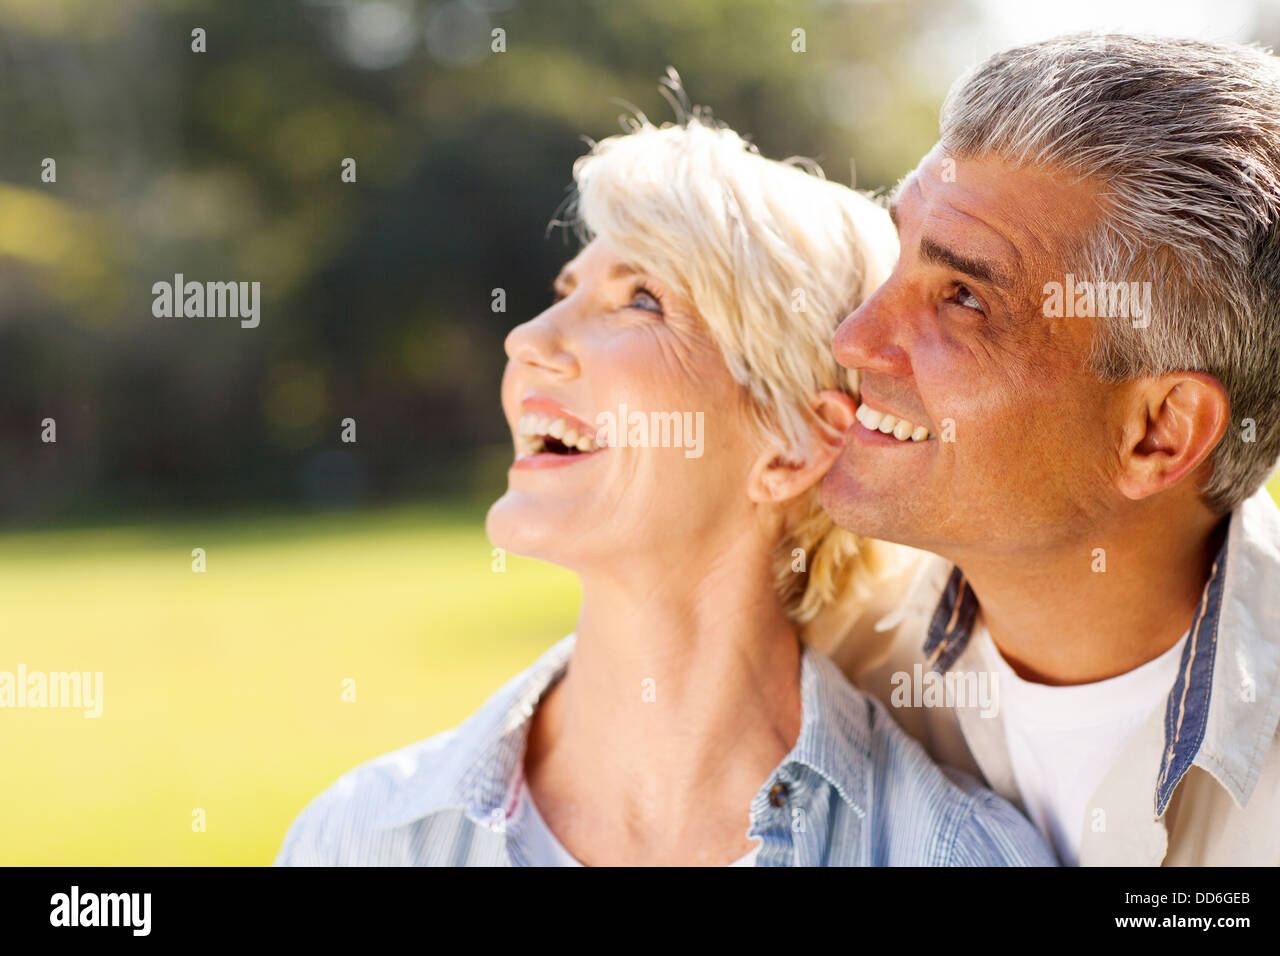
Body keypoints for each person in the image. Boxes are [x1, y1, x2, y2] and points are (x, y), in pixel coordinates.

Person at [274, 87, 1054, 866]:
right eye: (564, 293)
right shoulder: (360, 838)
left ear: (790, 448)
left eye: (642, 300)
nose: (528, 340)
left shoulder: (961, 855)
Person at [823, 34, 1280, 866]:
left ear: (1159, 432)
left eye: (962, 298)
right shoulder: (827, 670)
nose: (854, 337)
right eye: (897, 255)